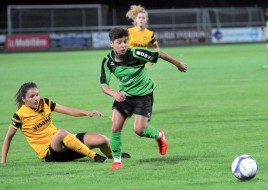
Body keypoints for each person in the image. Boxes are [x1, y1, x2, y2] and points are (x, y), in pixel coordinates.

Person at [100, 27, 188, 170]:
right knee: (115, 127)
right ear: (111, 44)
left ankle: (159, 135)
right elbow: (104, 85)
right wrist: (114, 94)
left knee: (139, 130)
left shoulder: (136, 53)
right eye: (119, 42)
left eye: (125, 42)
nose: (123, 45)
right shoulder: (108, 61)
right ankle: (117, 161)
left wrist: (178, 64)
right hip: (124, 96)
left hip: (143, 95)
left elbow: (159, 54)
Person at [1, 82, 129, 164]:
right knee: (61, 132)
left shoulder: (44, 103)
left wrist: (87, 112)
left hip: (64, 143)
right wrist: (3, 162)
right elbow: (8, 138)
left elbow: (68, 110)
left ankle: (114, 155)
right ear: (23, 99)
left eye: (37, 95)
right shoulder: (19, 115)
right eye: (32, 96)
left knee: (103, 140)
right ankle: (94, 156)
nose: (36, 98)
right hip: (50, 153)